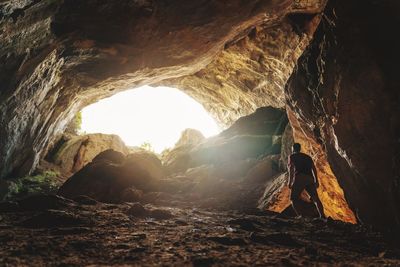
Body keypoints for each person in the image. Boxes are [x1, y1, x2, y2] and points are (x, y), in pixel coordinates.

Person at [287, 143, 326, 218]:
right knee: (315, 199)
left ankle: (301, 216)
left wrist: (290, 181)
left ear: (293, 149)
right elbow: (313, 168)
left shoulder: (292, 156)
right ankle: (322, 216)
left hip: (299, 177)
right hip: (309, 178)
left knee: (293, 199)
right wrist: (316, 180)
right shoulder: (307, 157)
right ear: (300, 148)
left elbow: (291, 169)